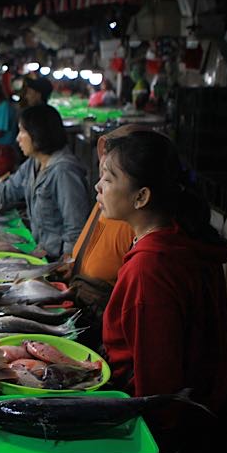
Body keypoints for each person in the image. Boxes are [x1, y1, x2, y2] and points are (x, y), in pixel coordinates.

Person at [95, 130, 227, 453]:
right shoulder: (179, 237)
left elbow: (158, 377)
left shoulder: (151, 268)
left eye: (108, 179)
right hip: (203, 406)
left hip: (168, 424)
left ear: (141, 197)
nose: (99, 186)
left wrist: (149, 447)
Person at [0, 104, 89, 260]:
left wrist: (67, 263)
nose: (18, 138)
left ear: (38, 134)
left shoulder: (64, 171)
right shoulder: (34, 163)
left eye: (22, 131)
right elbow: (6, 191)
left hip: (56, 260)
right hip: (40, 251)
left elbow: (76, 226)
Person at [59, 126, 142, 351]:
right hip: (81, 310)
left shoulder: (136, 223)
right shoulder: (107, 201)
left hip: (103, 333)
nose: (99, 184)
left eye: (110, 176)